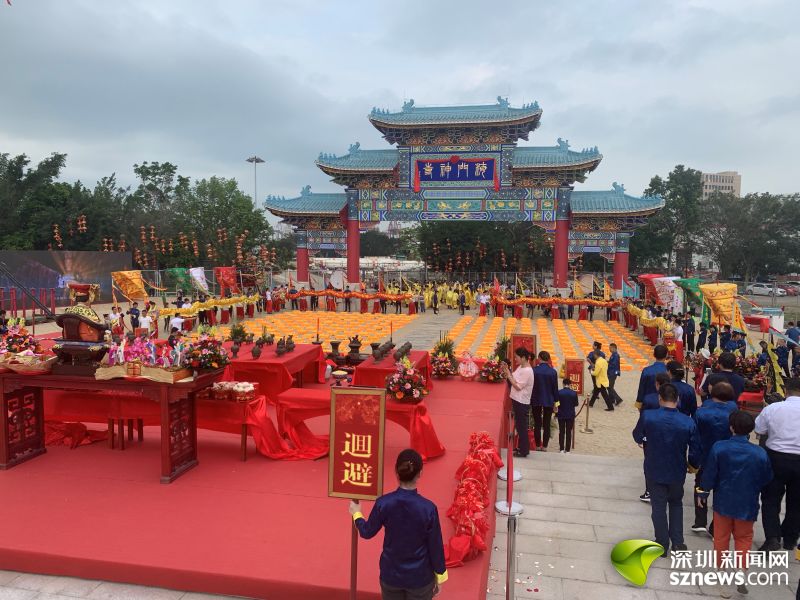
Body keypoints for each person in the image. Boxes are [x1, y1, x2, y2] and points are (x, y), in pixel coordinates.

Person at [349, 449, 448, 600]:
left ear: (396, 471)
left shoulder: (384, 503)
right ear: (420, 473)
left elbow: (367, 532)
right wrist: (440, 575)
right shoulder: (428, 508)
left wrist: (357, 514)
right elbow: (435, 546)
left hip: (391, 575)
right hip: (420, 578)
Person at [698, 411, 773, 597]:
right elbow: (766, 477)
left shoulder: (719, 447)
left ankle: (722, 575)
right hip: (747, 502)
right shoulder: (760, 453)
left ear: (731, 427)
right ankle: (741, 570)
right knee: (744, 538)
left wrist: (704, 491)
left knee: (721, 538)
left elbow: (710, 473)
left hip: (723, 501)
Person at [632, 382, 701, 556]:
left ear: (659, 398)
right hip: (677, 468)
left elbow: (637, 435)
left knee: (658, 507)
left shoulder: (648, 416)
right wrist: (693, 465)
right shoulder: (688, 421)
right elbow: (695, 448)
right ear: (677, 399)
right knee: (676, 503)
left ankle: (662, 543)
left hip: (654, 467)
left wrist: (645, 440)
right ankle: (678, 542)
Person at [754, 377, 800, 553]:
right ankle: (790, 538)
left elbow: (759, 429)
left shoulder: (773, 408)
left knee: (770, 499)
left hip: (776, 458)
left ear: (786, 391)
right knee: (796, 501)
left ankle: (772, 537)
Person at [692, 382, 739, 535]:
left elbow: (695, 438)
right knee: (722, 489)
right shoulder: (734, 412)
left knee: (700, 484)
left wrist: (693, 459)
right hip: (727, 456)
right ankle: (715, 525)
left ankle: (700, 520)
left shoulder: (701, 412)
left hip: (705, 455)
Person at [501, 348, 535, 458]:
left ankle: (524, 450)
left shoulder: (527, 371)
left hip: (521, 401)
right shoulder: (521, 367)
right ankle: (521, 447)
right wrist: (507, 370)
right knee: (519, 426)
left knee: (521, 426)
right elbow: (514, 378)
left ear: (523, 358)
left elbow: (518, 386)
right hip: (517, 399)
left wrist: (508, 375)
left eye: (516, 357)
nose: (515, 359)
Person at [531, 351, 559, 451]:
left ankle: (538, 445)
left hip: (536, 399)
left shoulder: (534, 370)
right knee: (547, 424)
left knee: (537, 423)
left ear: (539, 358)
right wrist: (557, 403)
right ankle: (545, 446)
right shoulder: (553, 372)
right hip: (549, 399)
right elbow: (555, 389)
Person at [636, 345, 669, 412]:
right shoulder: (668, 371)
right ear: (666, 355)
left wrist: (639, 403)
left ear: (654, 355)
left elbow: (642, 388)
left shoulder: (646, 370)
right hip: (665, 404)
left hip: (648, 403)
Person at [556, 378, 579, 453]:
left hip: (561, 414)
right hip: (570, 414)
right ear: (570, 384)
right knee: (569, 432)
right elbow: (576, 404)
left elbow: (557, 403)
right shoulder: (574, 393)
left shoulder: (559, 392)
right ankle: (568, 449)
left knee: (561, 431)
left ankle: (561, 449)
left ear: (563, 384)